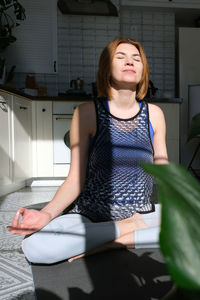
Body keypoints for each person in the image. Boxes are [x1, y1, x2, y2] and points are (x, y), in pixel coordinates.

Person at [7, 38, 168, 264]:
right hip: (91, 213)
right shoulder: (87, 113)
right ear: (107, 69)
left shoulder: (155, 114)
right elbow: (75, 181)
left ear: (143, 70)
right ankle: (128, 230)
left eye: (136, 58)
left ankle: (114, 241)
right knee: (37, 248)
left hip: (143, 212)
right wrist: (47, 214)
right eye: (120, 57)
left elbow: (164, 170)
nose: (129, 62)